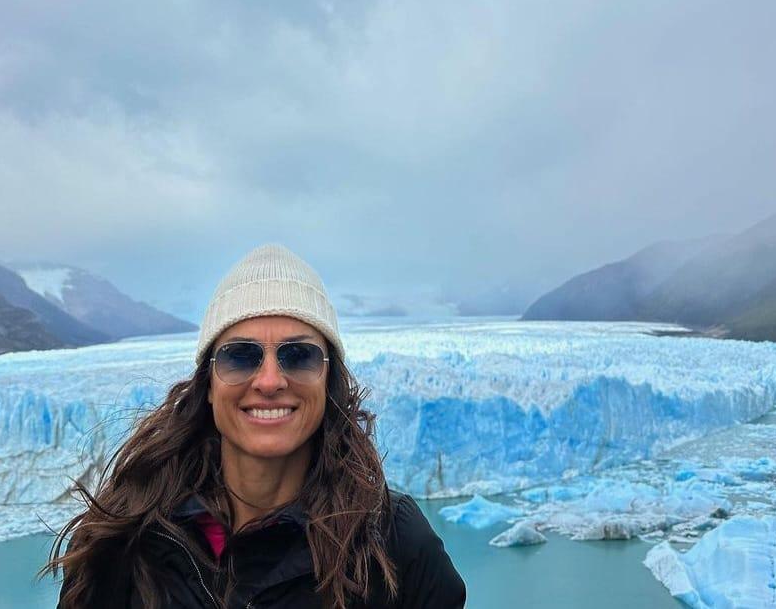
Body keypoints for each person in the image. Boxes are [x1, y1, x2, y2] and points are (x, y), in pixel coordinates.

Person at [45, 243, 466, 608]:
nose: (269, 381)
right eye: (240, 356)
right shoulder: (125, 543)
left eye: (298, 356)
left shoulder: (394, 543)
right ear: (208, 384)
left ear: (328, 380)